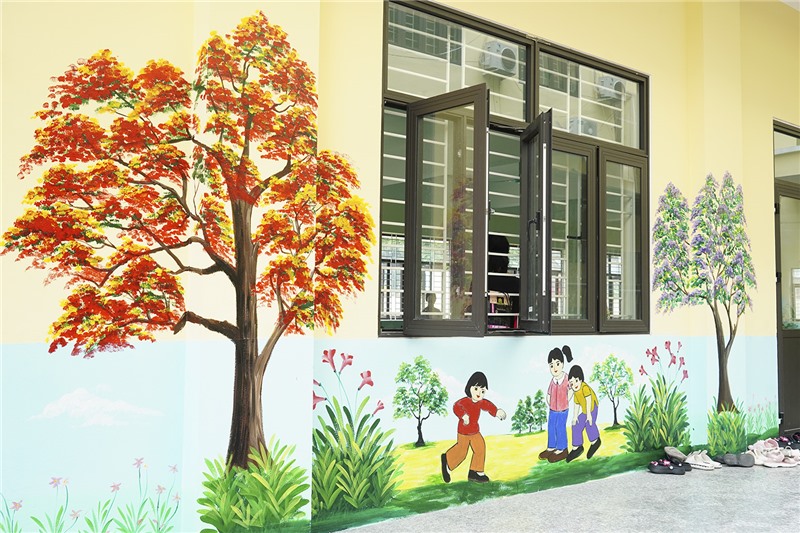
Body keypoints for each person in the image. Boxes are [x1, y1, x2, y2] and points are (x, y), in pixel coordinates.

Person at [440, 371, 506, 483]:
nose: (479, 393)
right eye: (476, 389)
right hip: (464, 432)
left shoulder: (481, 402)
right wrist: (463, 415)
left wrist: (497, 412)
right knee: (462, 453)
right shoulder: (465, 401)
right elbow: (456, 407)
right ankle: (447, 459)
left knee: (480, 448)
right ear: (469, 388)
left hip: (475, 431)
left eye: (482, 391)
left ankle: (475, 472)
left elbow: (489, 406)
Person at [538, 346, 573, 463]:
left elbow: (571, 390)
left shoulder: (566, 378)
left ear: (562, 364)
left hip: (563, 409)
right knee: (551, 426)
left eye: (557, 364)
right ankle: (551, 447)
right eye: (551, 365)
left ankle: (562, 449)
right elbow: (549, 393)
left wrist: (567, 399)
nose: (555, 368)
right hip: (553, 409)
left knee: (559, 427)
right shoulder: (553, 381)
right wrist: (549, 401)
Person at [566, 365, 602, 462]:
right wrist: (575, 417)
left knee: (589, 423)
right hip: (585, 411)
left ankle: (595, 442)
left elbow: (588, 400)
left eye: (576, 381)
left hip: (592, 408)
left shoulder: (584, 387)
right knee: (576, 424)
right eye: (572, 383)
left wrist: (589, 415)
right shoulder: (576, 391)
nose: (574, 385)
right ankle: (577, 448)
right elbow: (576, 404)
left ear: (581, 379)